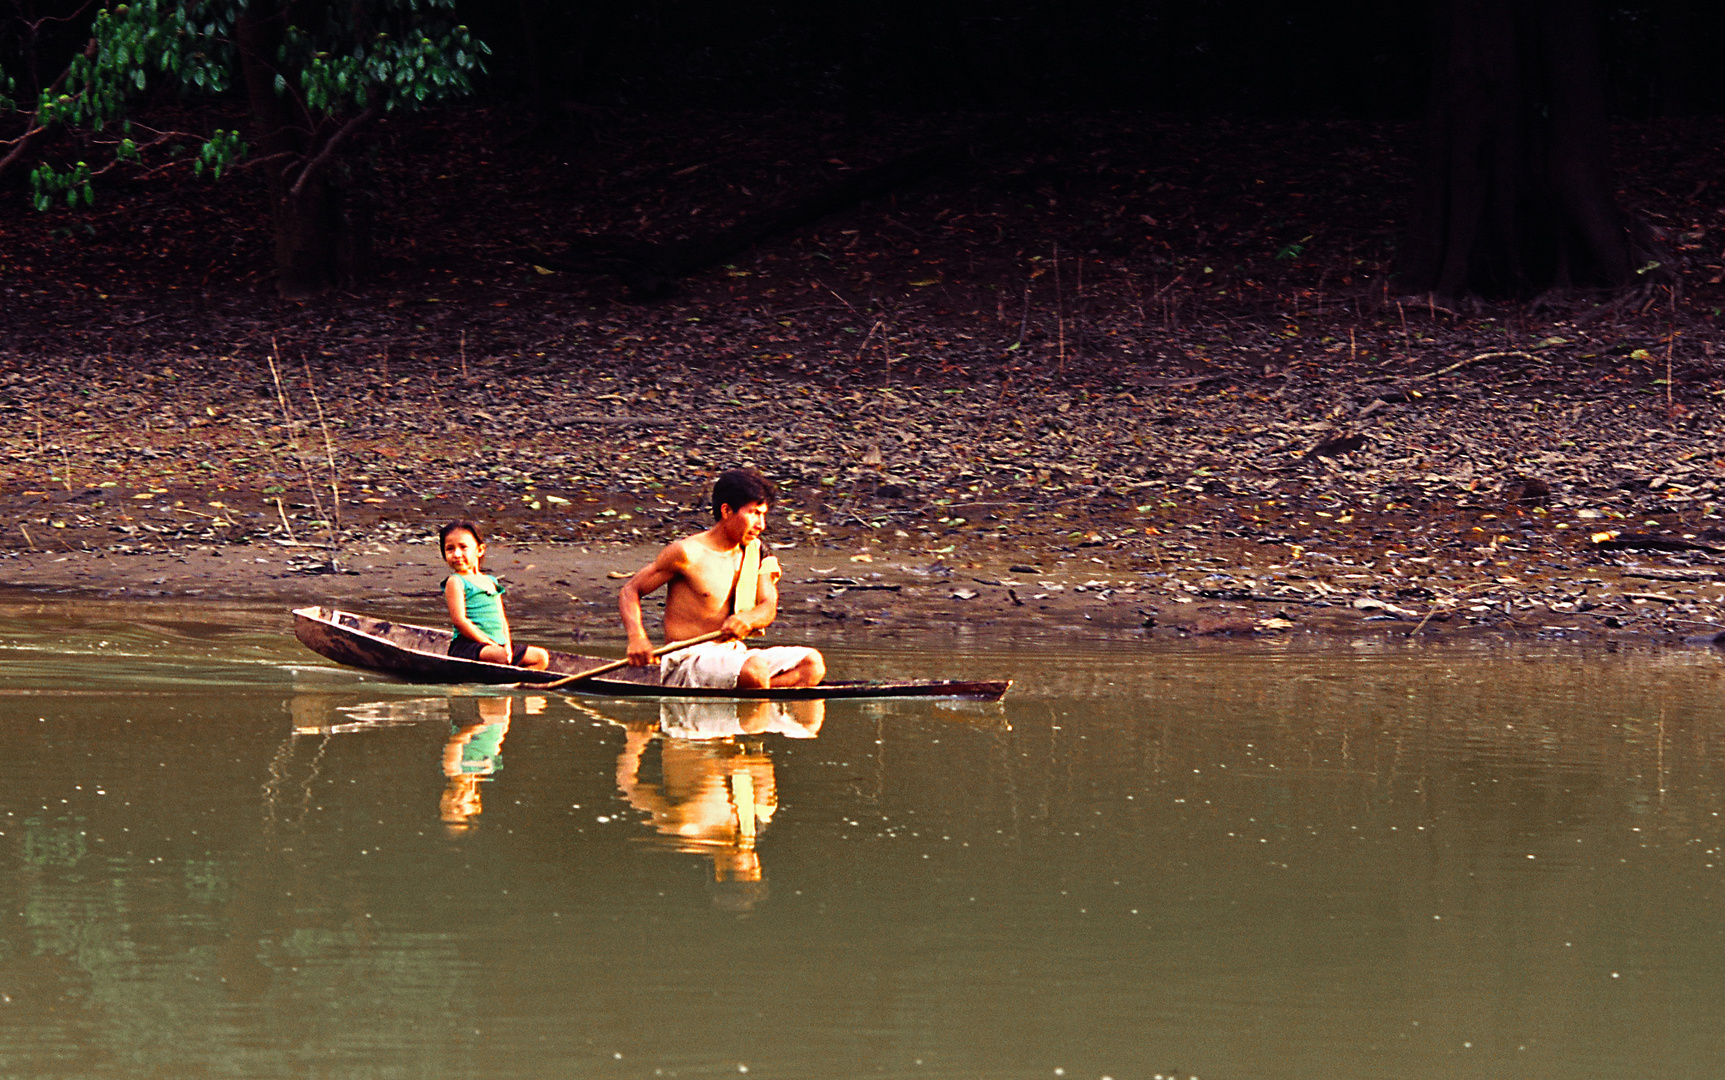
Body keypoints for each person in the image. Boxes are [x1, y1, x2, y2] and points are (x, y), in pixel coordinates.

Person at [619, 468, 825, 689]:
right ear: (726, 511)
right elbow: (630, 591)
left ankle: (756, 687)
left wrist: (750, 619)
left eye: (763, 514)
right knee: (754, 670)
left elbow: (768, 605)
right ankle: (755, 689)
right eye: (754, 513)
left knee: (812, 664)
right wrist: (638, 638)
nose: (761, 525)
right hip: (688, 659)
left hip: (735, 655)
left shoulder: (757, 553)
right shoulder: (687, 553)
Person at [439, 519, 549, 669]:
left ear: (480, 550)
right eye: (450, 549)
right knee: (500, 657)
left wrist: (507, 646)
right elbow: (460, 621)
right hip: (468, 647)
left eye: (463, 547)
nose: (457, 554)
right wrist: (489, 644)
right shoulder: (455, 581)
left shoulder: (490, 581)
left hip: (497, 646)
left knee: (540, 657)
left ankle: (517, 684)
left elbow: (502, 618)